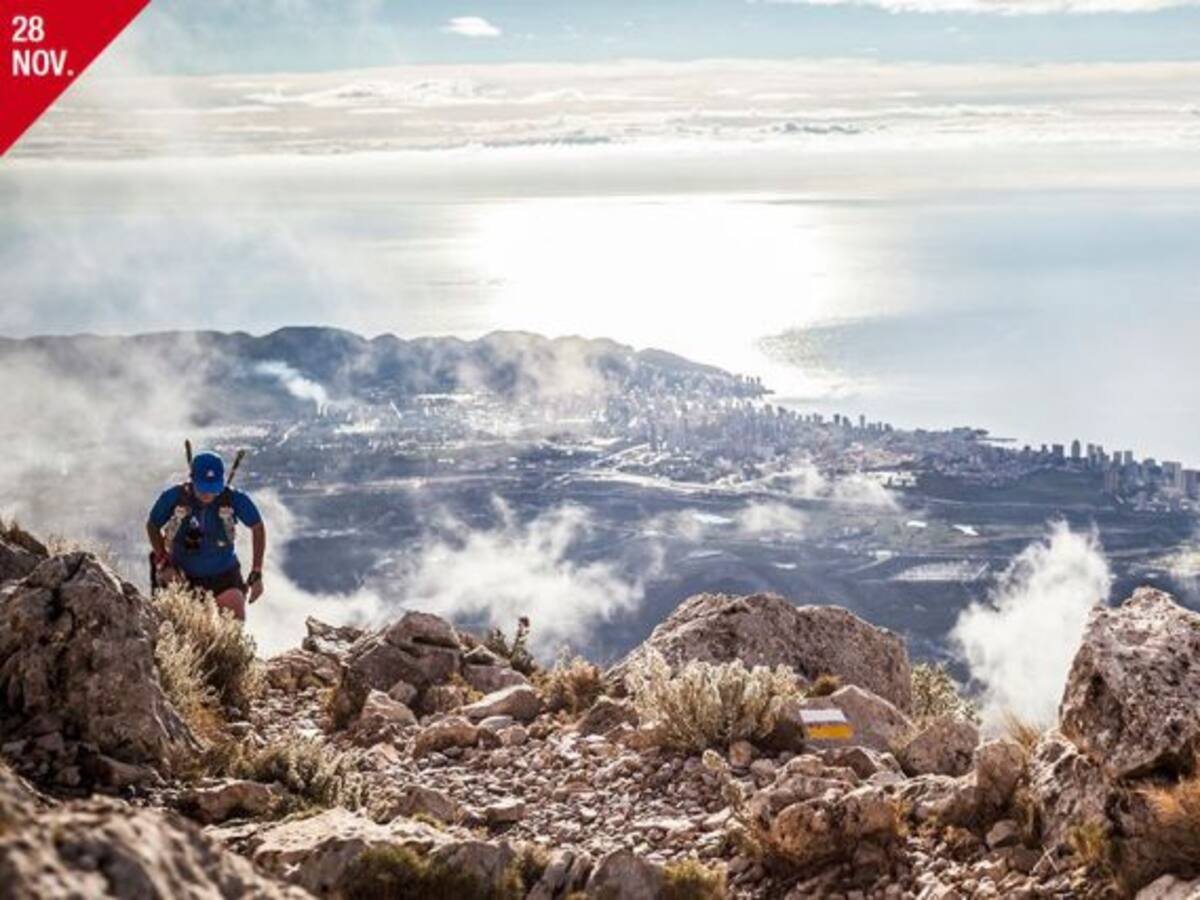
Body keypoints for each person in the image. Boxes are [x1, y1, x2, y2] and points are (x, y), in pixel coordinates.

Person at [147, 450, 265, 620]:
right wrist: (163, 561)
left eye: (214, 490)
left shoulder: (233, 499)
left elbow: (257, 527)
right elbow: (153, 525)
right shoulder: (174, 497)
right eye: (203, 490)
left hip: (223, 573)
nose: (208, 495)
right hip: (182, 572)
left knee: (235, 621)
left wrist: (256, 572)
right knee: (176, 623)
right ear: (192, 479)